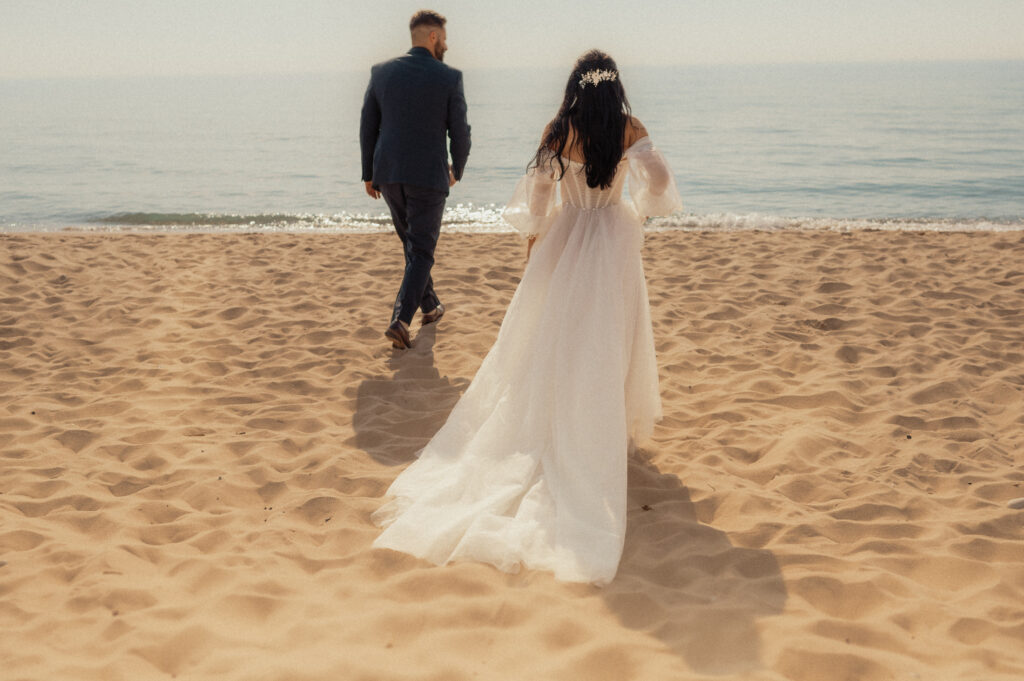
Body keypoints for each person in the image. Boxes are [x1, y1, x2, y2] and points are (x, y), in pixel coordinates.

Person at [372, 50, 681, 585]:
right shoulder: (630, 127)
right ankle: (601, 427)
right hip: (611, 240)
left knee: (553, 340)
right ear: (614, 87)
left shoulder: (558, 129)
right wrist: (638, 211)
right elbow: (659, 180)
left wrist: (537, 240)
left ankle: (561, 421)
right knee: (609, 338)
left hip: (566, 240)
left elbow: (539, 196)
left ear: (575, 87)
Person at [360, 10, 471, 350]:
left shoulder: (381, 73)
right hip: (428, 176)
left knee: (413, 247)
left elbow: (367, 125)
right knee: (421, 250)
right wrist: (458, 169)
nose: (447, 45)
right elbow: (460, 133)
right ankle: (400, 320)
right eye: (444, 38)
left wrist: (368, 172)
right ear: (433, 37)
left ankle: (431, 306)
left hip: (389, 174)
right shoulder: (449, 77)